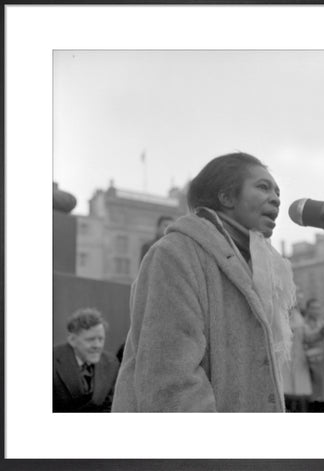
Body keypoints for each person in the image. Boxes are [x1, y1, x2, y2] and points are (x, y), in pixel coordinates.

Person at [112, 152, 296, 412]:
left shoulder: (258, 267)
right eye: (263, 187)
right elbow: (171, 380)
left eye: (277, 191)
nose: (276, 199)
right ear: (226, 197)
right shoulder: (175, 253)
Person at [53, 308, 120, 412]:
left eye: (101, 339)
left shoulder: (111, 363)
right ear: (72, 340)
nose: (97, 345)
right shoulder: (53, 361)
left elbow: (109, 406)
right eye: (90, 339)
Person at [282, 292, 314, 412]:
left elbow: (307, 336)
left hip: (299, 357)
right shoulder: (281, 315)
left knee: (300, 389)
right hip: (285, 356)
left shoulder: (299, 318)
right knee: (285, 387)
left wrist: (318, 335)